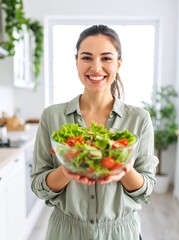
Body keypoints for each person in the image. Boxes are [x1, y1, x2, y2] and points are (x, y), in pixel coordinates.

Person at [31, 24, 159, 240]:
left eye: (106, 58)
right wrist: (66, 170)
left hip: (121, 233)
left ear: (119, 63)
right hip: (65, 232)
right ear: (76, 62)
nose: (96, 67)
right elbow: (39, 185)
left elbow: (145, 189)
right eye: (87, 58)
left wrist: (124, 169)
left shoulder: (139, 119)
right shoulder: (52, 117)